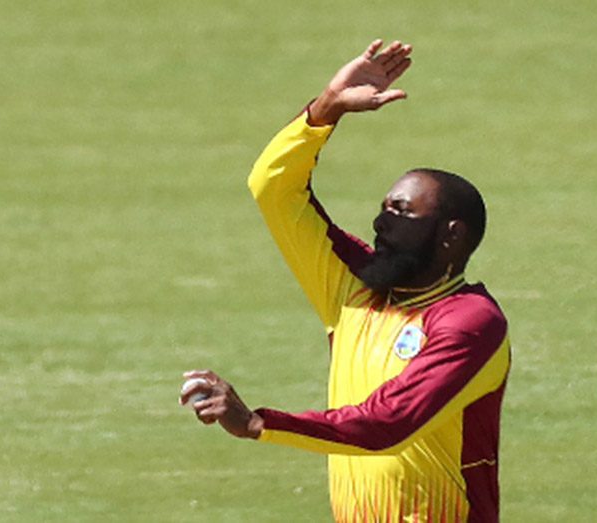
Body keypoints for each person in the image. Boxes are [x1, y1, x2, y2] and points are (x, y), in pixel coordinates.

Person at [180, 39, 511, 523]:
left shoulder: (470, 323)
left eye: (401, 212)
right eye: (382, 208)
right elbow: (274, 189)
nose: (381, 223)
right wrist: (325, 111)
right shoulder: (351, 287)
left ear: (450, 236)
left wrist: (257, 423)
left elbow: (388, 423)